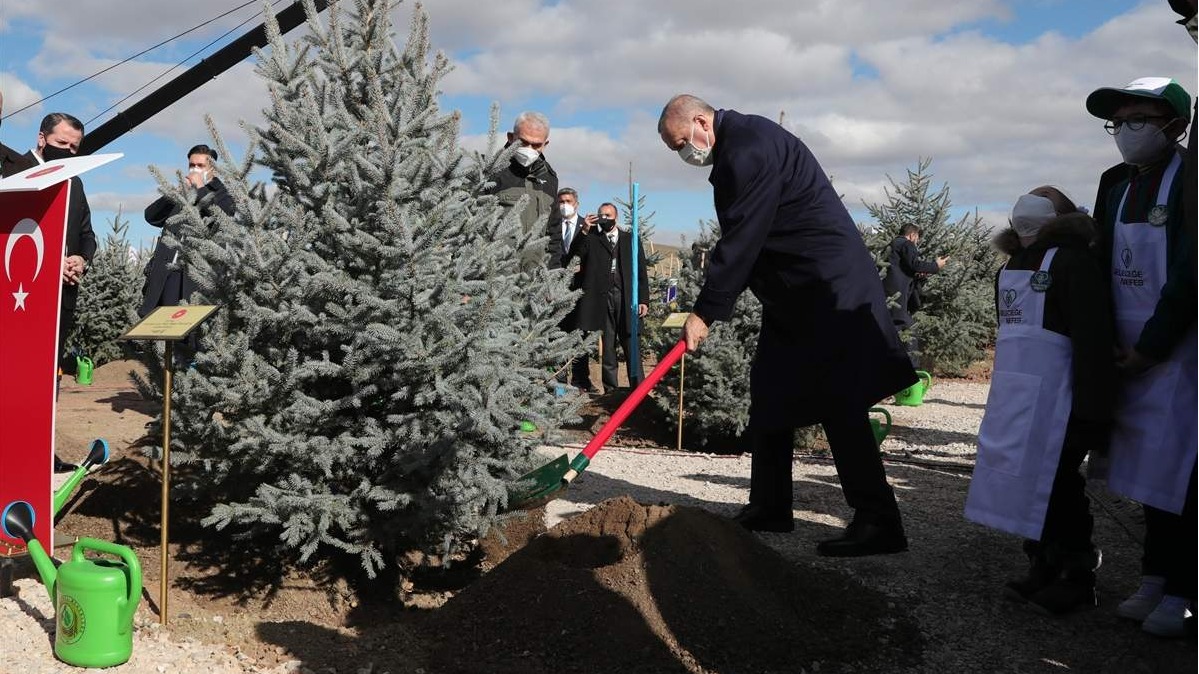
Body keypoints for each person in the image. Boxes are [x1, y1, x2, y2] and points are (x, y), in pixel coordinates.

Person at [657, 94, 916, 557]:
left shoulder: (749, 148)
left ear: (700, 120)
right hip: (794, 292)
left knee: (841, 400)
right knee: (771, 389)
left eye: (681, 143)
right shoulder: (741, 142)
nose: (685, 154)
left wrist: (706, 311)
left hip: (828, 288)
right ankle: (771, 506)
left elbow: (742, 238)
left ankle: (879, 520)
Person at [964, 187, 1114, 615]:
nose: (1028, 200)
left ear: (1059, 216)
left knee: (1062, 483)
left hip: (1061, 395)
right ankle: (1042, 560)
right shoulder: (1011, 266)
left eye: (1041, 197)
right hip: (1017, 394)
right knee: (1027, 481)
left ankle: (1076, 574)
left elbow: (1092, 339)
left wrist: (1091, 410)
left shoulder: (1075, 263)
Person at [1087, 77, 1196, 637]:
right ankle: (1154, 576)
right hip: (1125, 351)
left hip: (1178, 353)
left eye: (1139, 120)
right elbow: (1103, 261)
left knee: (1181, 473)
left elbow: (1189, 270)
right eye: (1118, 122)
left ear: (1175, 126)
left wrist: (1153, 347)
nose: (1125, 132)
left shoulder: (1190, 181)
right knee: (1144, 473)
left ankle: (1183, 589)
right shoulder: (1114, 183)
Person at [2, 113, 97, 473]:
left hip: (60, 301)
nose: (69, 153)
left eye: (75, 148)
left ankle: (40, 452)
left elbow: (87, 233)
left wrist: (79, 258)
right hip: (18, 300)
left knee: (47, 380)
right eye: (62, 145)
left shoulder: (75, 183)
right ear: (41, 139)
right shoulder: (13, 172)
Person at [139, 144, 235, 318]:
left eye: (200, 166)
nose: (195, 169)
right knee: (160, 330)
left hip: (195, 278)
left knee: (188, 336)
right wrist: (173, 194)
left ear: (212, 168)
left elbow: (224, 215)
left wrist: (200, 189)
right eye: (192, 165)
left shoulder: (222, 193)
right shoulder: (183, 193)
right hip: (167, 272)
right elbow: (151, 216)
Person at [565, 202, 649, 393]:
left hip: (626, 298)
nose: (604, 219)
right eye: (600, 215)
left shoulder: (630, 239)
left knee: (631, 342)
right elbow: (574, 256)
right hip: (602, 299)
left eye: (608, 215)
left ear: (616, 217)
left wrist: (643, 299)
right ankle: (611, 390)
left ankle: (639, 390)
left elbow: (641, 272)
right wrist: (584, 231)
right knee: (608, 345)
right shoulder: (592, 238)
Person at [486, 112, 558, 245]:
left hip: (535, 264)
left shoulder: (549, 176)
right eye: (524, 142)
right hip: (497, 262)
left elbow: (554, 231)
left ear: (545, 144)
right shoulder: (491, 171)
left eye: (536, 145)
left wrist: (552, 265)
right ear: (511, 137)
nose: (529, 149)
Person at [881, 224, 947, 366]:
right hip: (897, 296)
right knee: (908, 329)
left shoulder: (891, 246)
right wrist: (936, 266)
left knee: (897, 329)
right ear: (913, 235)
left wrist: (918, 275)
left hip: (890, 295)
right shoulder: (906, 244)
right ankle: (912, 370)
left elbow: (904, 268)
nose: (916, 242)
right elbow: (915, 264)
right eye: (917, 238)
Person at [552, 187, 594, 391]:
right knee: (557, 334)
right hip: (557, 288)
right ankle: (558, 382)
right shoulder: (551, 226)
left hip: (580, 287)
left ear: (576, 203)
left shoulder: (587, 226)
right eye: (560, 201)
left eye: (568, 201)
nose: (564, 205)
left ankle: (581, 380)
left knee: (580, 333)